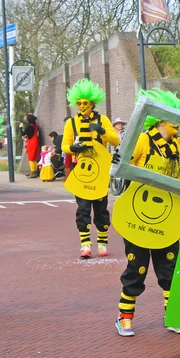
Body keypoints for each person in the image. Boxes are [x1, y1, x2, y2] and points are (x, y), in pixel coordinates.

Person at [114, 88, 180, 337]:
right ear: (161, 120)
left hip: (167, 216)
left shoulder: (177, 147)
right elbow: (121, 170)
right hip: (137, 214)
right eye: (174, 120)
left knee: (169, 267)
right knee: (137, 269)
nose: (179, 125)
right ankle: (124, 317)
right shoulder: (143, 140)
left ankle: (172, 315)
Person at [62, 78, 120, 258]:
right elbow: (64, 145)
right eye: (78, 103)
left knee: (101, 208)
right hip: (83, 172)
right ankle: (85, 244)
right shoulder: (71, 123)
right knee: (83, 208)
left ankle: (102, 244)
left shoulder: (103, 120)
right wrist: (73, 148)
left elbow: (116, 140)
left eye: (84, 103)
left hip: (101, 172)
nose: (81, 106)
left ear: (92, 103)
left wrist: (102, 131)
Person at [20, 114, 41, 178]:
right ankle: (35, 172)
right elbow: (31, 134)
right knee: (34, 158)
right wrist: (26, 137)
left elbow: (23, 134)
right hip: (36, 143)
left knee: (31, 159)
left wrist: (20, 127)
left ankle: (33, 172)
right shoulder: (36, 126)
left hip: (31, 144)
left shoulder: (29, 127)